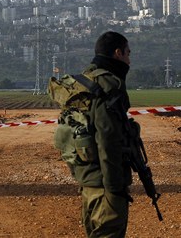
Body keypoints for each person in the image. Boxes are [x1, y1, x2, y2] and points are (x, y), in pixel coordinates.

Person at [75, 31, 133, 237]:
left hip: (87, 181)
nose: (129, 60)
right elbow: (108, 140)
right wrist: (115, 188)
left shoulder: (83, 80)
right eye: (127, 54)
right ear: (117, 53)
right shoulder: (109, 85)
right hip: (105, 186)